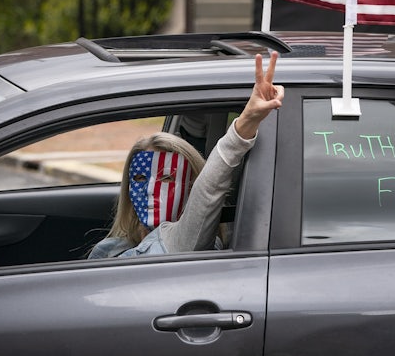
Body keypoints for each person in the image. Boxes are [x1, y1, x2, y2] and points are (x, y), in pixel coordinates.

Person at [87, 50, 283, 258]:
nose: (149, 189)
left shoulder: (182, 243)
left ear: (191, 187)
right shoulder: (107, 249)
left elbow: (208, 188)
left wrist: (246, 123)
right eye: (140, 178)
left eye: (167, 178)